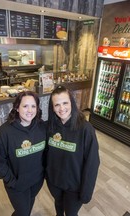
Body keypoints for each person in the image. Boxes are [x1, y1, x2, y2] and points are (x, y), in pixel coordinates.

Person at [46, 85, 100, 216]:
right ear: (52, 108)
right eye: (57, 105)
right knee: (58, 206)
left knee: (71, 213)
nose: (62, 108)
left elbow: (92, 163)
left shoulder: (86, 129)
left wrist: (86, 191)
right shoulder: (50, 126)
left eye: (65, 103)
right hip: (55, 182)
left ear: (72, 103)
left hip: (75, 187)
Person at [0, 91, 46, 216]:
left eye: (33, 106)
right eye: (25, 106)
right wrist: (12, 181)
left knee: (29, 205)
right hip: (17, 184)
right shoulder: (3, 133)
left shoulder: (42, 127)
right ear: (16, 107)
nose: (30, 110)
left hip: (37, 181)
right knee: (23, 212)